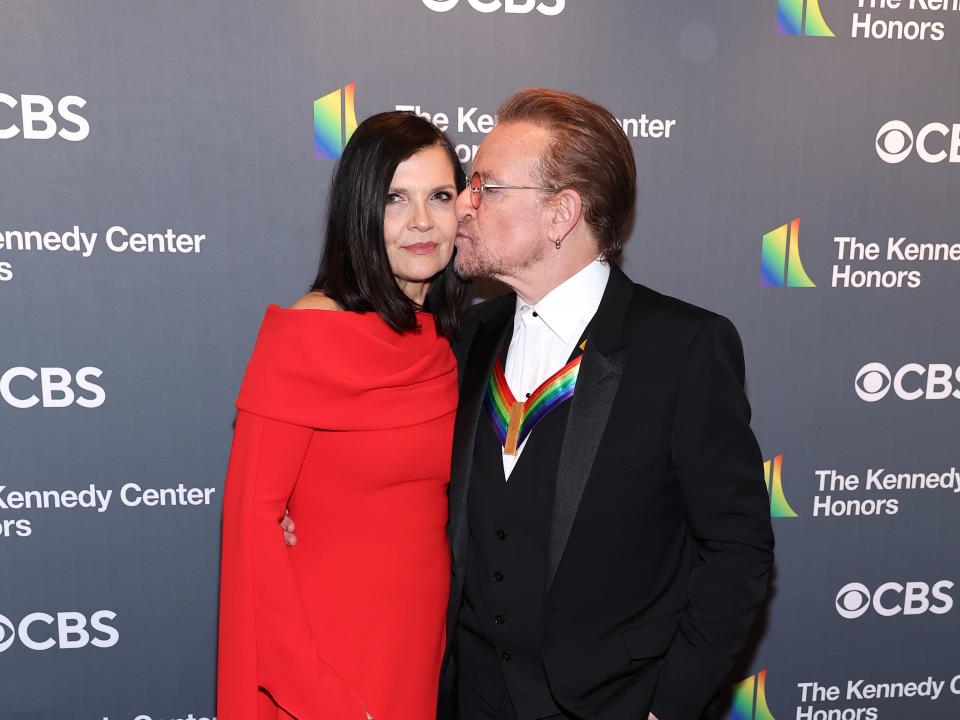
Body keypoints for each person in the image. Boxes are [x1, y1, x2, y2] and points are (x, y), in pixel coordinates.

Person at [285, 88, 774, 720]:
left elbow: (738, 550)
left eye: (485, 187)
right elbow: (396, 474)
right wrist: (313, 514)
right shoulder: (463, 338)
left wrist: (667, 706)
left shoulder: (683, 348)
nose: (460, 206)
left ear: (560, 213)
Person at [217, 111, 470, 720]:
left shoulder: (450, 343)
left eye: (439, 196)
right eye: (394, 199)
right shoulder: (308, 332)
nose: (421, 222)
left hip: (424, 648)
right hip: (324, 653)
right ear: (359, 211)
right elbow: (254, 524)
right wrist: (313, 690)